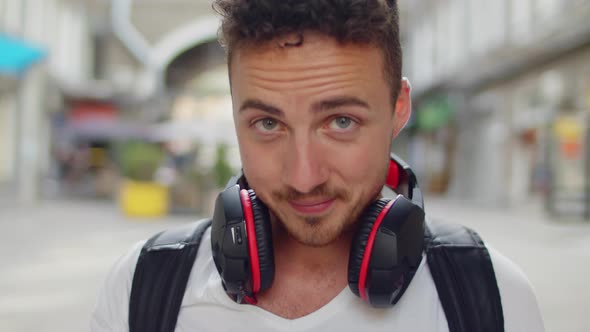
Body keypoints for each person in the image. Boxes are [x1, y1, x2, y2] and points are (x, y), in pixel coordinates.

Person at [91, 1, 545, 331]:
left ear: (399, 109)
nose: (303, 176)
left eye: (341, 121)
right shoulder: (145, 288)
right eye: (268, 123)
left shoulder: (488, 295)